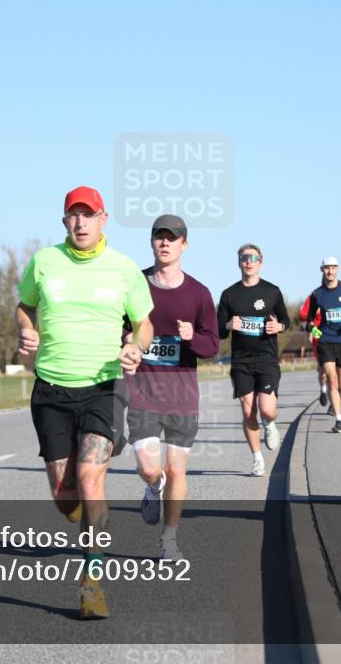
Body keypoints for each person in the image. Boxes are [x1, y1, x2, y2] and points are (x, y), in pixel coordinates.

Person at [16, 185, 154, 619]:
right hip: (52, 388)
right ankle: (83, 515)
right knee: (64, 494)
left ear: (103, 219)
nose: (80, 223)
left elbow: (144, 322)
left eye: (88, 215)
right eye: (73, 216)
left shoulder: (123, 269)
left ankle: (92, 581)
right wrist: (26, 329)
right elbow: (24, 305)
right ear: (64, 222)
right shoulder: (43, 262)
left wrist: (136, 346)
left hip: (104, 386)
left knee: (92, 480)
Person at [123, 214, 219, 561]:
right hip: (142, 391)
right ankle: (153, 486)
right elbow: (116, 327)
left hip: (182, 395)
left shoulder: (198, 293)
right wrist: (125, 340)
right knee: (152, 468)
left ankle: (169, 540)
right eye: (159, 237)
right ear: (151, 242)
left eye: (172, 238)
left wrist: (194, 338)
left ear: (184, 244)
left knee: (177, 468)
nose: (165, 243)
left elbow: (213, 345)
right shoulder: (136, 285)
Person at [217, 244, 290, 476]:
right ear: (239, 262)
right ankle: (257, 458)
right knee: (248, 411)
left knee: (267, 409)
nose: (248, 261)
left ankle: (269, 423)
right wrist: (228, 325)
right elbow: (218, 330)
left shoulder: (272, 291)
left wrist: (278, 326)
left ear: (260, 261)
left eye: (253, 257)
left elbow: (286, 320)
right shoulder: (229, 294)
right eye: (244, 258)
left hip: (267, 359)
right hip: (241, 362)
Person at [305, 257, 341, 434]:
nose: (330, 271)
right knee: (331, 378)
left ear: (338, 269)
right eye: (326, 268)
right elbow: (309, 318)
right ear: (321, 270)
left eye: (333, 268)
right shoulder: (317, 294)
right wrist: (313, 328)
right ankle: (339, 419)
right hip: (326, 340)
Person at [299, 301, 328, 409]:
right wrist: (314, 311)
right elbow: (301, 314)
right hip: (318, 340)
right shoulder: (313, 297)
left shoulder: (336, 296)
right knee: (323, 370)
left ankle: (336, 395)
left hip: (335, 338)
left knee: (335, 372)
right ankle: (323, 390)